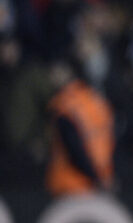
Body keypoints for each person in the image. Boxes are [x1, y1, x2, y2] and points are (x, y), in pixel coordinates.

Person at [45, 59, 115, 196]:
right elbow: (111, 136)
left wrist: (95, 176)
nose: (51, 78)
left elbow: (74, 147)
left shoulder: (63, 105)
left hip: (71, 182)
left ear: (67, 72)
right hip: (101, 177)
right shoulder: (96, 99)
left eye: (54, 73)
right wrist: (102, 177)